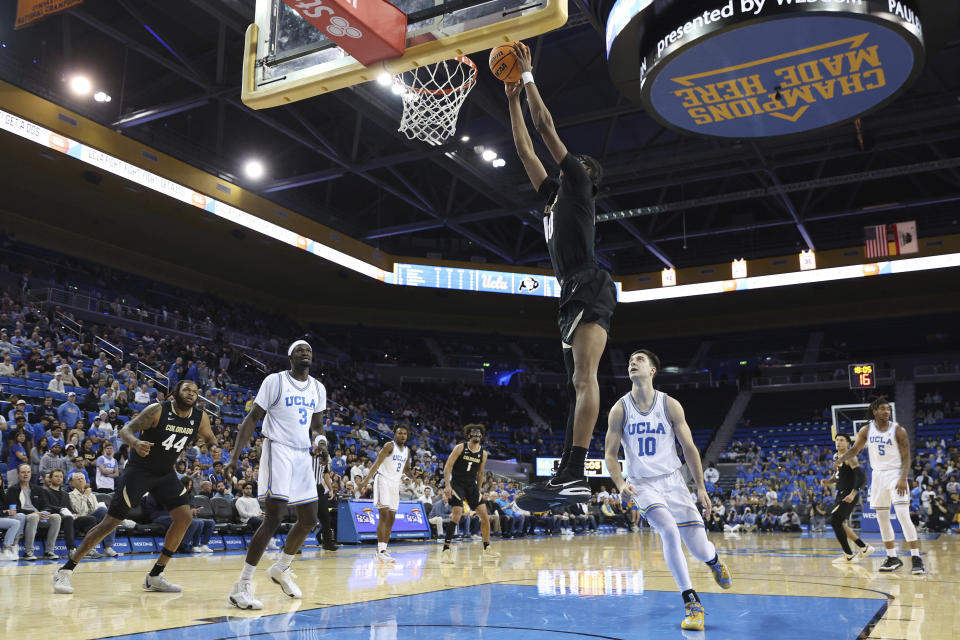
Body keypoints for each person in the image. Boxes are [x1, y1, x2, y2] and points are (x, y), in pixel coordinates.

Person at [506, 41, 615, 511]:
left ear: (589, 177)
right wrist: (511, 102)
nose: (576, 162)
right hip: (568, 291)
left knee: (586, 378)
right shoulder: (552, 195)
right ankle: (569, 474)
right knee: (575, 386)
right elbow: (525, 147)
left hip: (590, 282)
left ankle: (576, 469)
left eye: (582, 163)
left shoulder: (579, 186)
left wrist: (528, 78)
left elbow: (546, 127)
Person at [605, 349, 732, 631]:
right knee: (668, 530)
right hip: (643, 484)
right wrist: (620, 483)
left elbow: (688, 447)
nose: (632, 363)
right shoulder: (619, 409)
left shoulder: (670, 404)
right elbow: (610, 455)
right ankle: (691, 601)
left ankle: (713, 560)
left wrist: (700, 488)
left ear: (653, 370)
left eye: (639, 360)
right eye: (630, 361)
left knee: (699, 549)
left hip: (674, 481)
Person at [52, 380, 218, 594]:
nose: (191, 394)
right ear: (175, 392)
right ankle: (65, 571)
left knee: (185, 517)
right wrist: (136, 443)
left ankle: (155, 576)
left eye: (195, 391)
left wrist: (213, 447)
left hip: (165, 473)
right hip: (140, 472)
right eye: (187, 389)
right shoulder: (157, 410)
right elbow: (126, 430)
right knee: (110, 522)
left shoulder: (200, 417)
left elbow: (210, 437)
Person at [227, 340, 326, 610]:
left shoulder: (318, 388)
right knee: (275, 517)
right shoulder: (275, 381)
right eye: (300, 349)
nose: (306, 352)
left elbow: (316, 427)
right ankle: (242, 586)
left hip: (303, 454)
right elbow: (252, 418)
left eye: (309, 349)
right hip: (278, 449)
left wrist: (321, 444)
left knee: (309, 519)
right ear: (290, 356)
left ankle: (281, 568)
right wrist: (235, 457)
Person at [835, 396, 924, 574]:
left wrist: (903, 478)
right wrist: (841, 460)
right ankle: (892, 557)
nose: (886, 412)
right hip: (877, 476)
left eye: (888, 409)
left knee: (902, 515)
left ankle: (916, 557)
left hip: (896, 473)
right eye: (882, 409)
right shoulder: (866, 430)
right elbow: (855, 450)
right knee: (882, 518)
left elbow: (907, 456)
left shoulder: (898, 430)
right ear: (874, 411)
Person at [440, 424, 499, 562]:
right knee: (457, 514)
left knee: (485, 516)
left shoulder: (483, 453)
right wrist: (447, 485)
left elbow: (480, 473)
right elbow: (448, 466)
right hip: (457, 484)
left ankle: (487, 548)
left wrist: (478, 489)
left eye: (479, 433)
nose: (477, 434)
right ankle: (446, 550)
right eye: (474, 432)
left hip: (471, 486)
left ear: (482, 436)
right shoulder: (460, 447)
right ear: (468, 435)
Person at [357, 424, 412, 564]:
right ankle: (380, 551)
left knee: (392, 518)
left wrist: (412, 476)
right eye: (400, 433)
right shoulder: (389, 446)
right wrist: (365, 481)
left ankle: (384, 549)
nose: (402, 435)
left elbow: (406, 468)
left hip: (395, 484)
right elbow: (376, 463)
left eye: (405, 433)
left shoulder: (407, 450)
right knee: (384, 514)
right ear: (395, 434)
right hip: (383, 480)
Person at [822, 433, 874, 564]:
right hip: (840, 493)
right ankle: (863, 547)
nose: (838, 442)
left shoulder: (851, 457)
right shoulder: (836, 456)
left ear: (848, 444)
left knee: (835, 522)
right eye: (837, 440)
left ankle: (849, 554)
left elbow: (862, 477)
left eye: (841, 440)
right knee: (840, 523)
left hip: (848, 494)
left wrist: (853, 494)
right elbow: (838, 475)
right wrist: (829, 481)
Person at [5, 464, 62, 560]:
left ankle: (49, 551)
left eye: (28, 472)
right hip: (24, 517)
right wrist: (33, 513)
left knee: (56, 517)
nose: (26, 474)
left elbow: (45, 505)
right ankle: (28, 552)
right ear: (18, 474)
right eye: (23, 472)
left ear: (31, 474)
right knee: (33, 517)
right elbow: (14, 509)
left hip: (39, 516)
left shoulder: (37, 489)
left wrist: (45, 512)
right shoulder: (12, 490)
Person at [67, 471, 119, 557]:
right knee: (103, 511)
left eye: (82, 479)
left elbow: (96, 509)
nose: (80, 480)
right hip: (81, 519)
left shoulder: (91, 494)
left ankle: (108, 547)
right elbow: (79, 510)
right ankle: (95, 548)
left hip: (94, 517)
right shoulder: (71, 495)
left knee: (110, 518)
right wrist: (85, 496)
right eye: (78, 479)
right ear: (73, 483)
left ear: (85, 481)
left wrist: (88, 495)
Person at [311, 433, 338, 551]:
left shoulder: (325, 457)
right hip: (306, 489)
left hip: (318, 489)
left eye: (324, 444)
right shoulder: (307, 455)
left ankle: (327, 543)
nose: (322, 446)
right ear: (314, 444)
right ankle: (294, 545)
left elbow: (326, 474)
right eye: (320, 444)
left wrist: (331, 489)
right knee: (304, 519)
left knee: (325, 517)